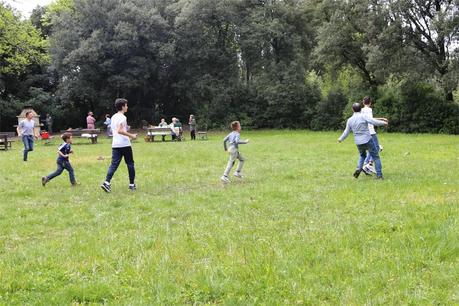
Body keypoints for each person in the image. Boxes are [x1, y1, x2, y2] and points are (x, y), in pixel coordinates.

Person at [338, 102, 388, 179]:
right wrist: (383, 123)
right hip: (367, 139)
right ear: (361, 109)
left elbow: (346, 132)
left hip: (358, 142)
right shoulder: (363, 116)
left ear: (352, 110)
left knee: (362, 155)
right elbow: (373, 121)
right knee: (376, 157)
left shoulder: (350, 120)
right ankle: (379, 175)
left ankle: (358, 169)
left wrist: (340, 139)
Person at [101, 98, 138, 193]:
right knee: (130, 164)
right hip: (124, 144)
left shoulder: (113, 117)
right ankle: (131, 184)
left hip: (115, 144)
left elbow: (116, 130)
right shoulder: (123, 117)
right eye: (126, 105)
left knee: (113, 165)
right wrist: (132, 136)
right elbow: (120, 130)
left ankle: (106, 183)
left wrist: (126, 132)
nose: (127, 107)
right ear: (122, 107)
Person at [361, 96, 387, 175]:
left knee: (370, 149)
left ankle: (366, 165)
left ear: (363, 102)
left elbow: (368, 118)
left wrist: (381, 118)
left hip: (364, 133)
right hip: (371, 132)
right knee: (377, 148)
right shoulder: (369, 109)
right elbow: (371, 120)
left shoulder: (361, 110)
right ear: (370, 103)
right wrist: (382, 121)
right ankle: (369, 164)